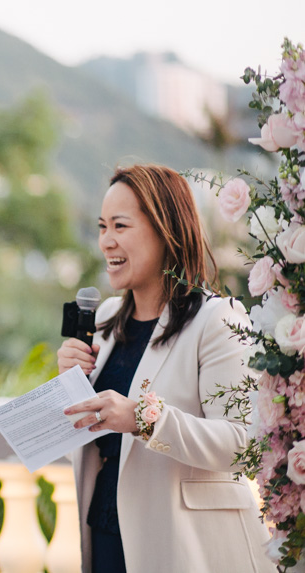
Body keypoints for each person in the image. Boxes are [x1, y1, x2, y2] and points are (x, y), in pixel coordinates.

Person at [57, 164, 274, 573]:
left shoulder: (217, 319)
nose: (106, 241)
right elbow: (90, 439)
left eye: (120, 225)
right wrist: (69, 384)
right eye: (102, 227)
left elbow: (244, 443)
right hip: (105, 532)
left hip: (185, 545)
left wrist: (144, 419)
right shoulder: (104, 321)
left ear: (165, 229)